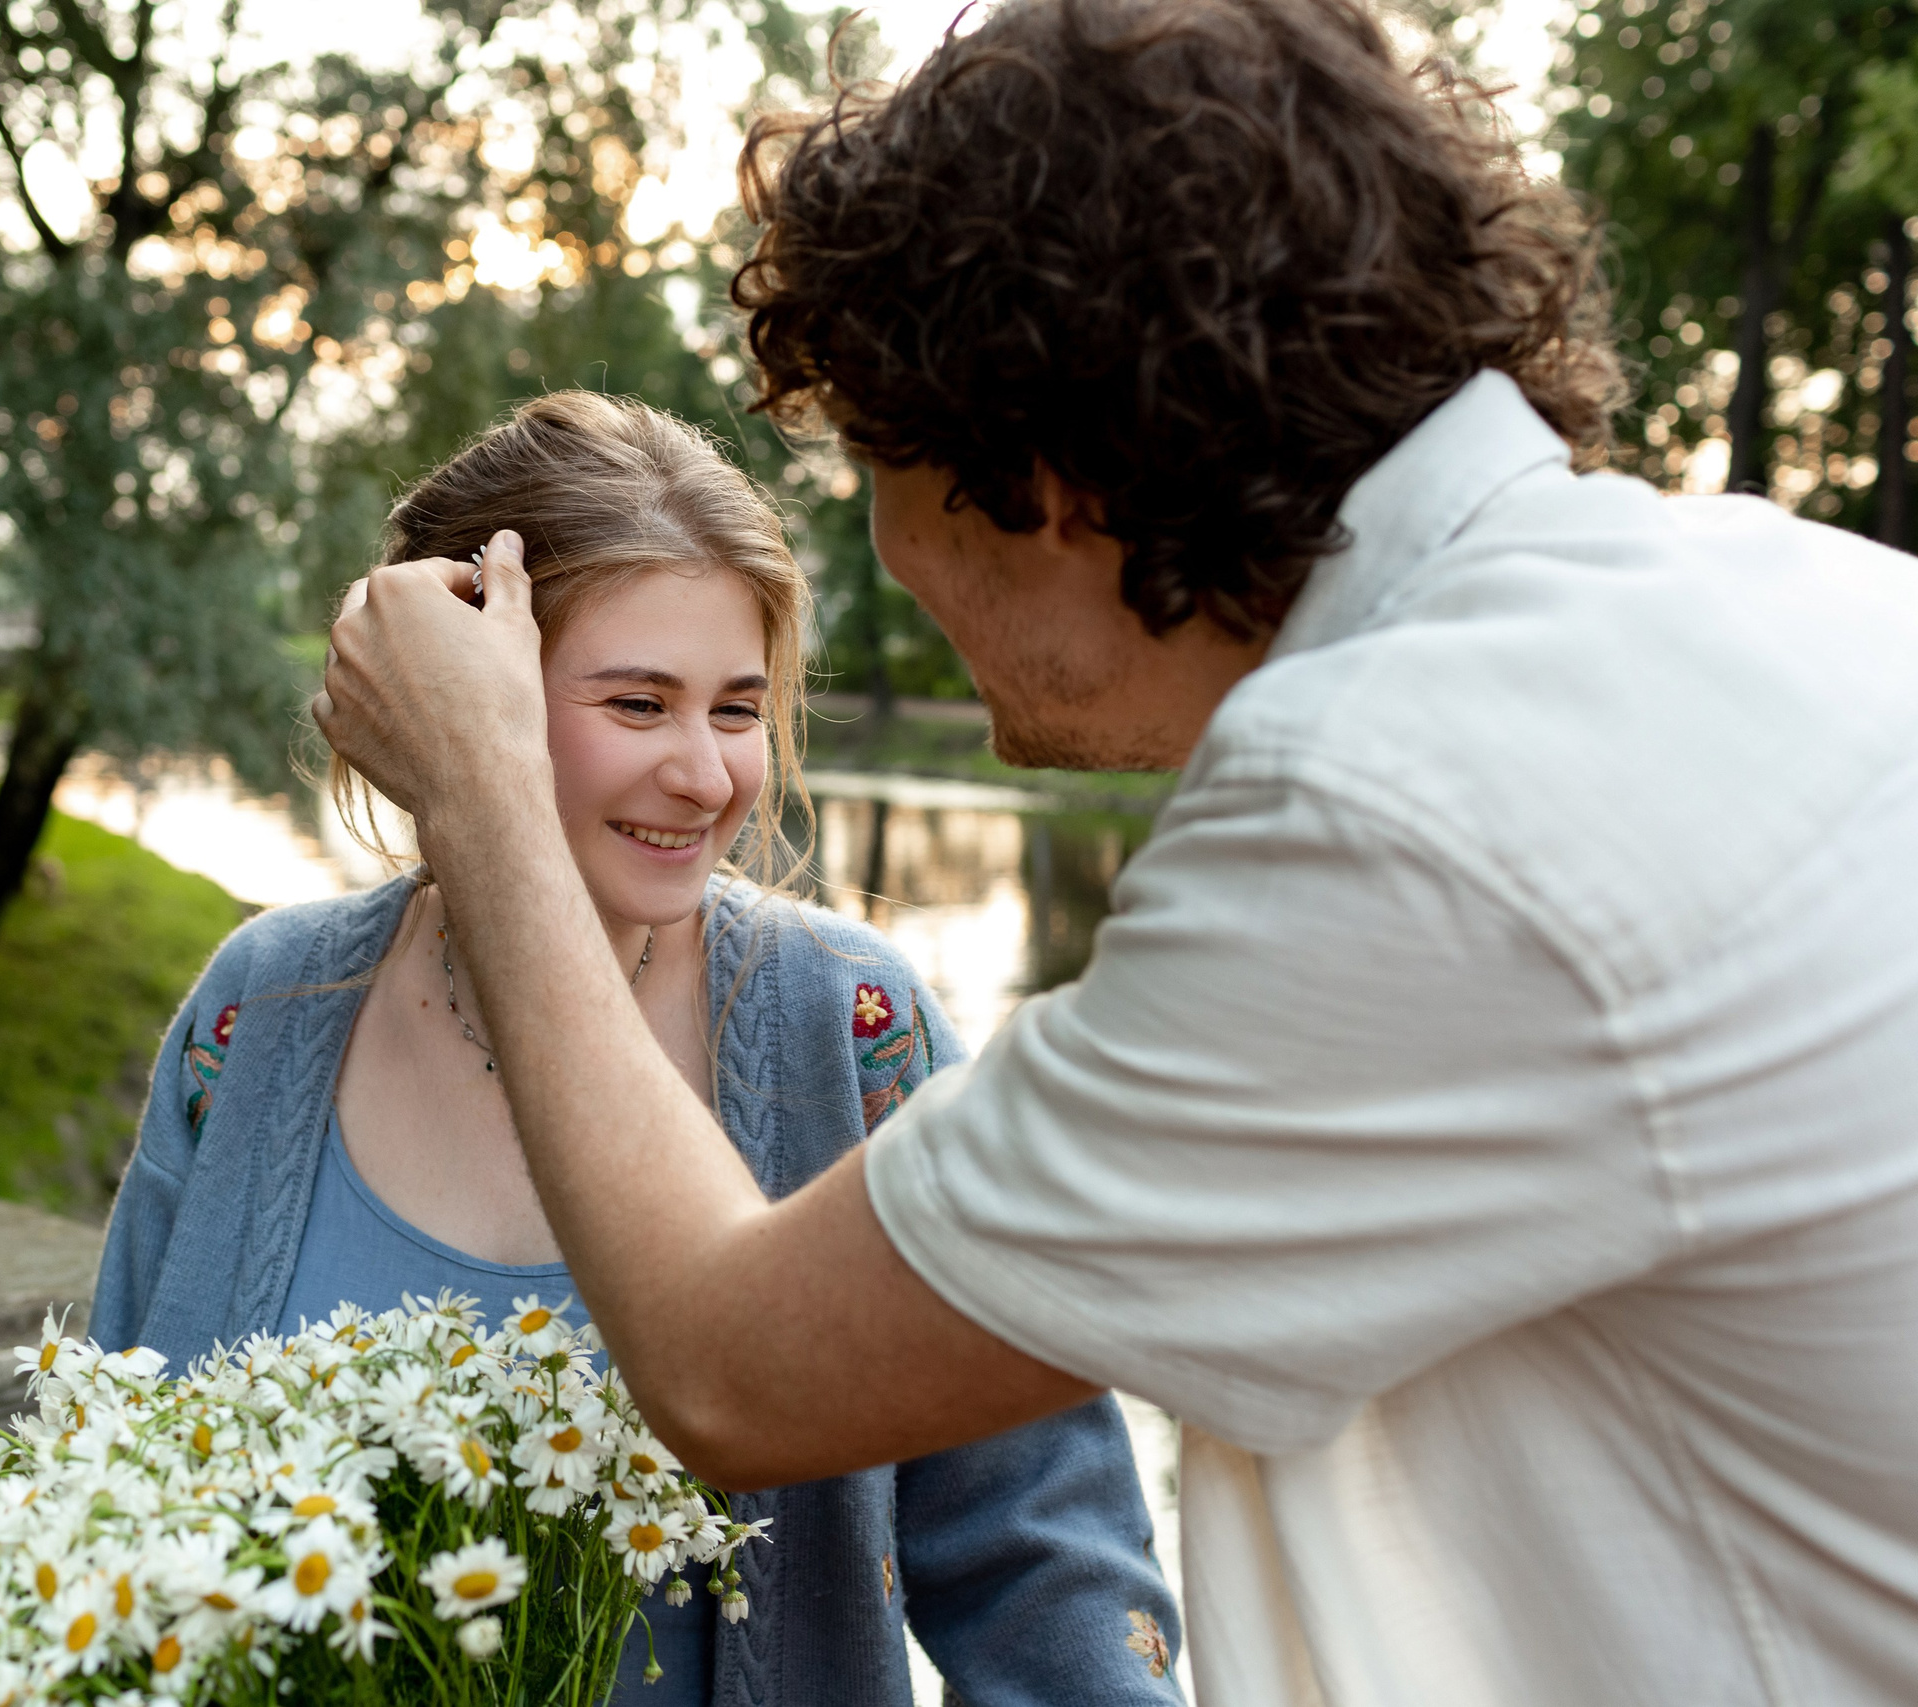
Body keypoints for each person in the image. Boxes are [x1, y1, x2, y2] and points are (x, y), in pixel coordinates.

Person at [311, 3, 1918, 1705]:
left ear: (1045, 470)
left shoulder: (1398, 815)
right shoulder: (1805, 600)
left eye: (878, 461)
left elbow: (728, 1365)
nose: (884, 553)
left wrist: (488, 794)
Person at [94, 391, 1187, 1706]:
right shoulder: (256, 1012)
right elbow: (110, 1485)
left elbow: (1045, 1561)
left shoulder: (853, 1031)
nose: (710, 775)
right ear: (447, 699)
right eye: (636, 703)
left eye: (734, 709)